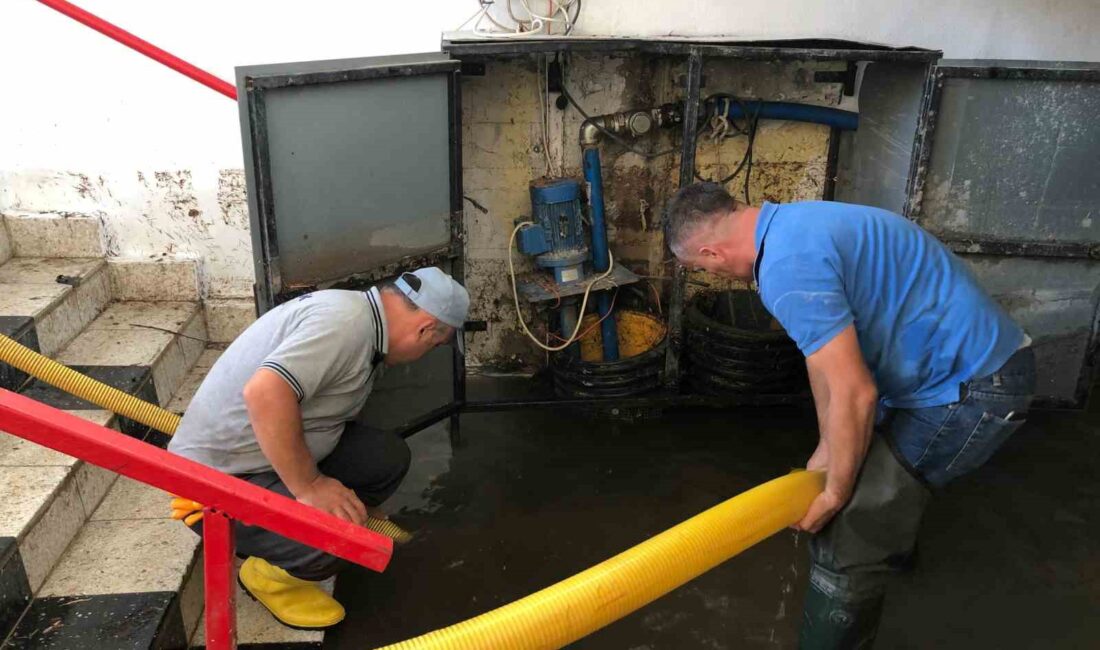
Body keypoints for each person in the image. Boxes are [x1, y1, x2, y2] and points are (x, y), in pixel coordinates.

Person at [663, 183, 1035, 648]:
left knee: (850, 527)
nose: (716, 274)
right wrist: (827, 447)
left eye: (704, 268)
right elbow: (820, 359)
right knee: (859, 467)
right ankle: (892, 542)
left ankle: (861, 575)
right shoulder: (793, 225)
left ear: (711, 253)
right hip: (957, 366)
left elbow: (856, 392)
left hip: (975, 388)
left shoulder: (785, 269)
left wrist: (836, 493)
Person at [167, 267, 469, 630]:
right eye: (434, 345)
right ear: (425, 330)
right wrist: (309, 485)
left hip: (258, 458)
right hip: (212, 484)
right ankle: (270, 577)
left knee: (385, 458)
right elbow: (265, 392)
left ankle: (299, 530)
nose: (425, 353)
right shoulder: (344, 325)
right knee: (339, 540)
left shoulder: (361, 319)